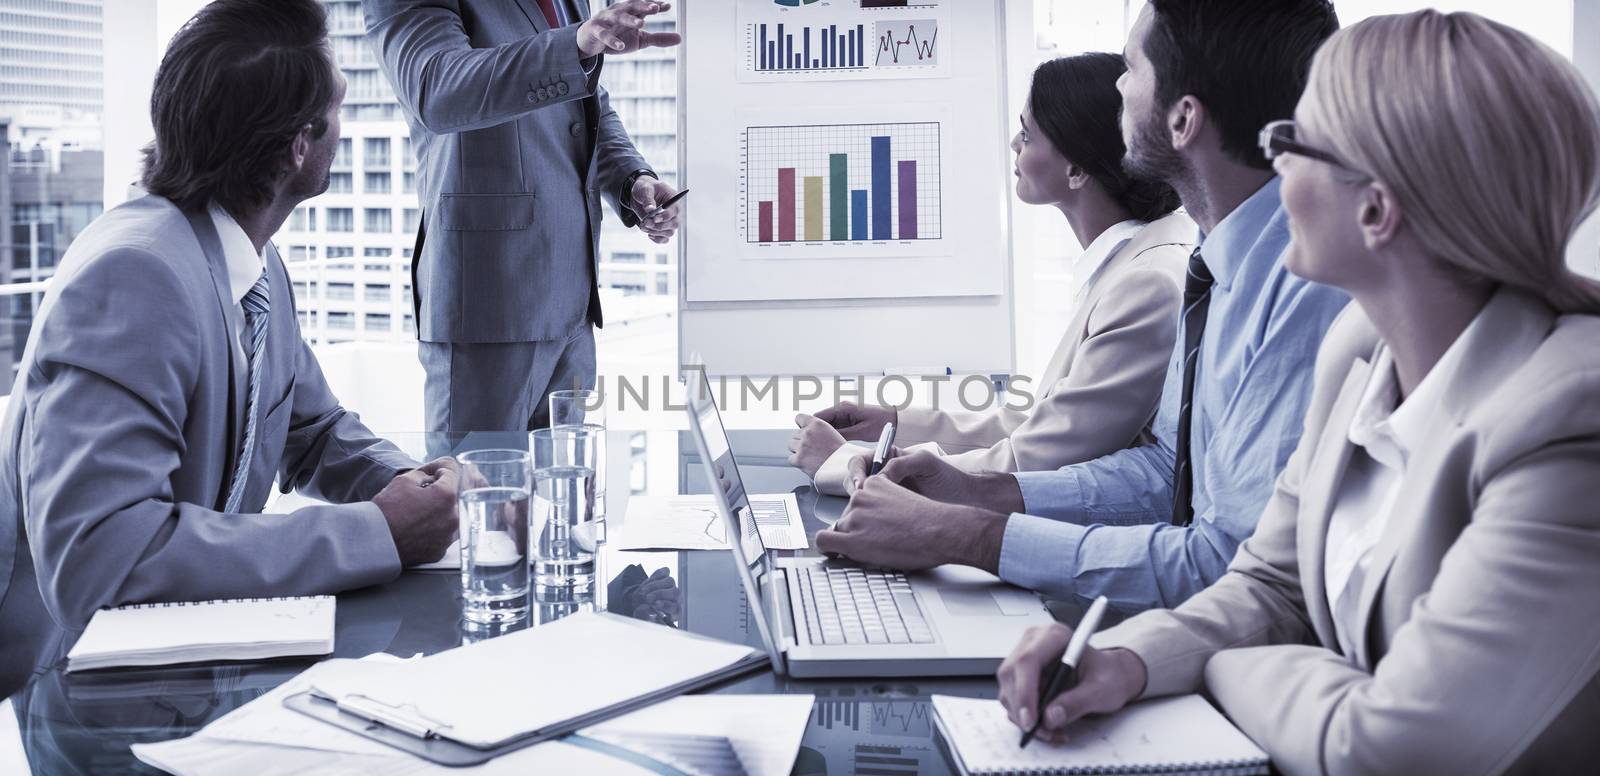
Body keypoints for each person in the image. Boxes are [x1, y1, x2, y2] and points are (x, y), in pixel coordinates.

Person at [996, 12, 1600, 772]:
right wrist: (1126, 660)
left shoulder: (1569, 418)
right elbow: (1270, 588)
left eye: (1292, 144)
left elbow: (1389, 746)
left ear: (1376, 210)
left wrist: (1220, 667)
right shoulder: (1359, 354)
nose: (1272, 167)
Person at [815, 0, 1350, 612]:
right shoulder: (1218, 263)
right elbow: (1164, 474)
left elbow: (1229, 564)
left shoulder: (1303, 284)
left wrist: (968, 533)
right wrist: (980, 491)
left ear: (1183, 120)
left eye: (1131, 67)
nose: (1118, 85)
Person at [0, 0, 459, 697]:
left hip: (195, 674)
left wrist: (418, 493)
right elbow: (100, 560)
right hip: (82, 696)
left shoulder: (249, 261)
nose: (346, 123)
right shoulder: (136, 276)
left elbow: (311, 429)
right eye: (337, 107)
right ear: (299, 146)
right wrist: (377, 534)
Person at [789, 53, 1195, 497]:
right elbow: (1047, 421)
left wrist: (844, 462)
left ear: (1077, 169)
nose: (1014, 144)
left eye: (1029, 133)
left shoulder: (1147, 284)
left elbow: (1037, 458)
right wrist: (893, 424)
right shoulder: (1126, 264)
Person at [364, 0, 684, 435]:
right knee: (474, 497)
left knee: (568, 495)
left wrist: (632, 180)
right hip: (489, 305)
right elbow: (437, 87)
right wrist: (573, 45)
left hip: (573, 307)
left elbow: (585, 103)